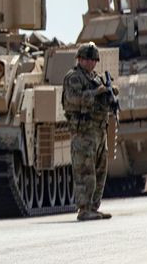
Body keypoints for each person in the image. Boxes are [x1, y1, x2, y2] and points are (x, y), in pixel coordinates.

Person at [61, 43, 115, 221]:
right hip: (83, 132)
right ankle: (84, 208)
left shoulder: (96, 78)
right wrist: (94, 93)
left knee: (100, 170)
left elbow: (101, 103)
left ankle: (93, 206)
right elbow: (72, 99)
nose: (91, 63)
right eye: (88, 60)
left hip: (99, 130)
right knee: (85, 171)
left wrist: (109, 94)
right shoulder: (74, 77)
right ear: (80, 59)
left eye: (94, 60)